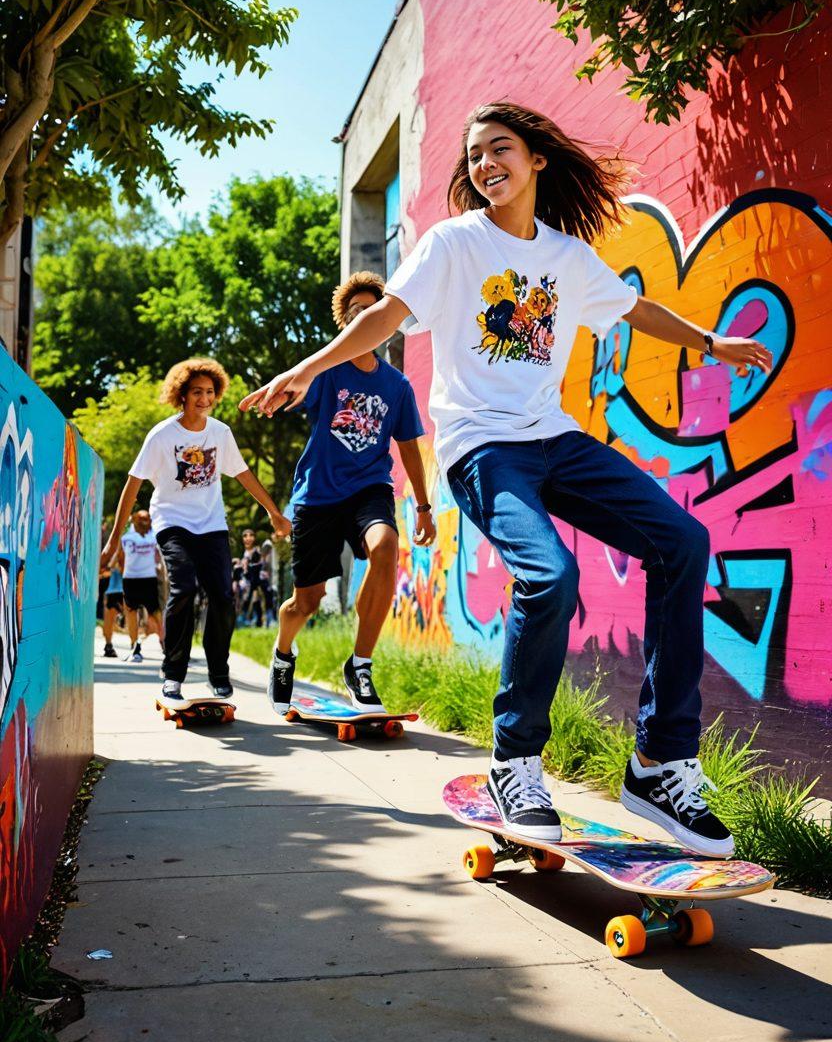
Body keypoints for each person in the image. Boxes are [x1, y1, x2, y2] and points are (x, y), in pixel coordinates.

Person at [240, 103, 773, 857]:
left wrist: (712, 342)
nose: (486, 164)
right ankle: (514, 762)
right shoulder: (454, 243)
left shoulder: (566, 256)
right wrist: (308, 367)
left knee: (682, 540)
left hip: (555, 438)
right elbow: (387, 315)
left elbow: (636, 309)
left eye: (501, 149)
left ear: (537, 159)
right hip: (483, 447)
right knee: (550, 575)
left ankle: (659, 763)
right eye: (475, 156)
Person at [252, 271, 435, 716]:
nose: (363, 318)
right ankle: (284, 653)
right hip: (318, 496)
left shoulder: (397, 386)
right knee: (306, 602)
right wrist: (280, 391)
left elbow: (409, 446)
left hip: (369, 488)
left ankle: (360, 664)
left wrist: (424, 506)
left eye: (371, 311)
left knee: (385, 546)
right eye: (355, 312)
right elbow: (297, 389)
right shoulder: (327, 371)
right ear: (345, 323)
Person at [102, 358, 291, 706]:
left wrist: (273, 512)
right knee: (184, 587)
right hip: (172, 522)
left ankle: (218, 673)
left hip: (212, 524)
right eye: (196, 393)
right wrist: (114, 541)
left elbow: (243, 474)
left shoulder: (220, 433)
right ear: (182, 395)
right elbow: (133, 486)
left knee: (222, 596)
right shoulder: (162, 435)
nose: (204, 399)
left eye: (209, 392)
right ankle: (173, 674)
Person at [120, 509, 164, 661]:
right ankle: (134, 647)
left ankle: (165, 644)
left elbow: (159, 556)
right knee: (131, 612)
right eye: (141, 518)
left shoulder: (154, 536)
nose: (145, 521)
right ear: (135, 520)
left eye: (147, 518)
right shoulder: (127, 537)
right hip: (130, 579)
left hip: (148, 579)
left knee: (155, 613)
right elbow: (120, 557)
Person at [101, 559, 124, 659]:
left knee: (110, 620)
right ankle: (108, 645)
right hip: (114, 590)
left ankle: (108, 645)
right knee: (109, 620)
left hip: (121, 590)